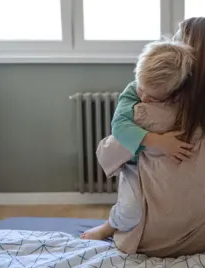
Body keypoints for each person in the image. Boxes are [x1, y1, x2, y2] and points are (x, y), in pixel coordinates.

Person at [103, 16, 205, 257]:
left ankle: (110, 225)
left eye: (177, 41)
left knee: (119, 161)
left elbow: (108, 151)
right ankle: (110, 224)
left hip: (158, 241)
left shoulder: (151, 112)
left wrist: (146, 141)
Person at [80, 40, 196, 240]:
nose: (144, 100)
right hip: (134, 164)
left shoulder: (181, 96)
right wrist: (159, 141)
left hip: (163, 166)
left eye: (154, 98)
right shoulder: (132, 91)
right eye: (142, 90)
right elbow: (119, 128)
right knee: (131, 210)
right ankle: (110, 225)